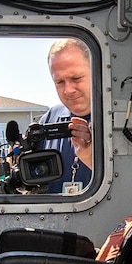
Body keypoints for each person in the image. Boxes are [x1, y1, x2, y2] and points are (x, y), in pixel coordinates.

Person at [37, 38, 95, 194]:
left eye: (76, 78)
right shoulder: (48, 120)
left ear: (96, 72)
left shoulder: (119, 121)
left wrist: (91, 159)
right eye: (60, 81)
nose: (68, 90)